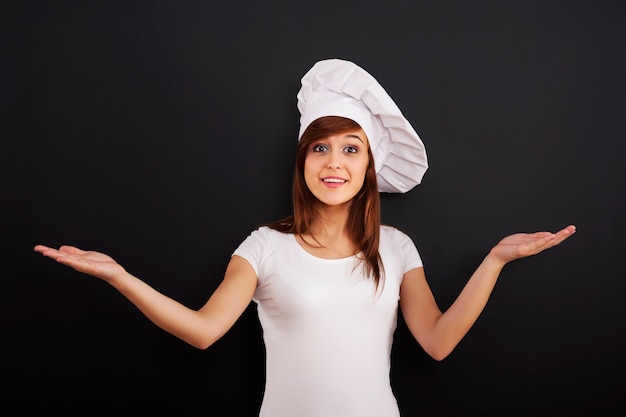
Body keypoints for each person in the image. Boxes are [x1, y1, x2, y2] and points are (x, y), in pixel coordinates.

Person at [34, 59, 576, 417]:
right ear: (302, 161)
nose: (333, 163)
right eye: (320, 149)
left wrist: (495, 261)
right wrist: (119, 277)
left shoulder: (396, 246)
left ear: (369, 165)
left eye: (350, 148)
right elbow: (202, 332)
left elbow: (436, 342)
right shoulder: (263, 246)